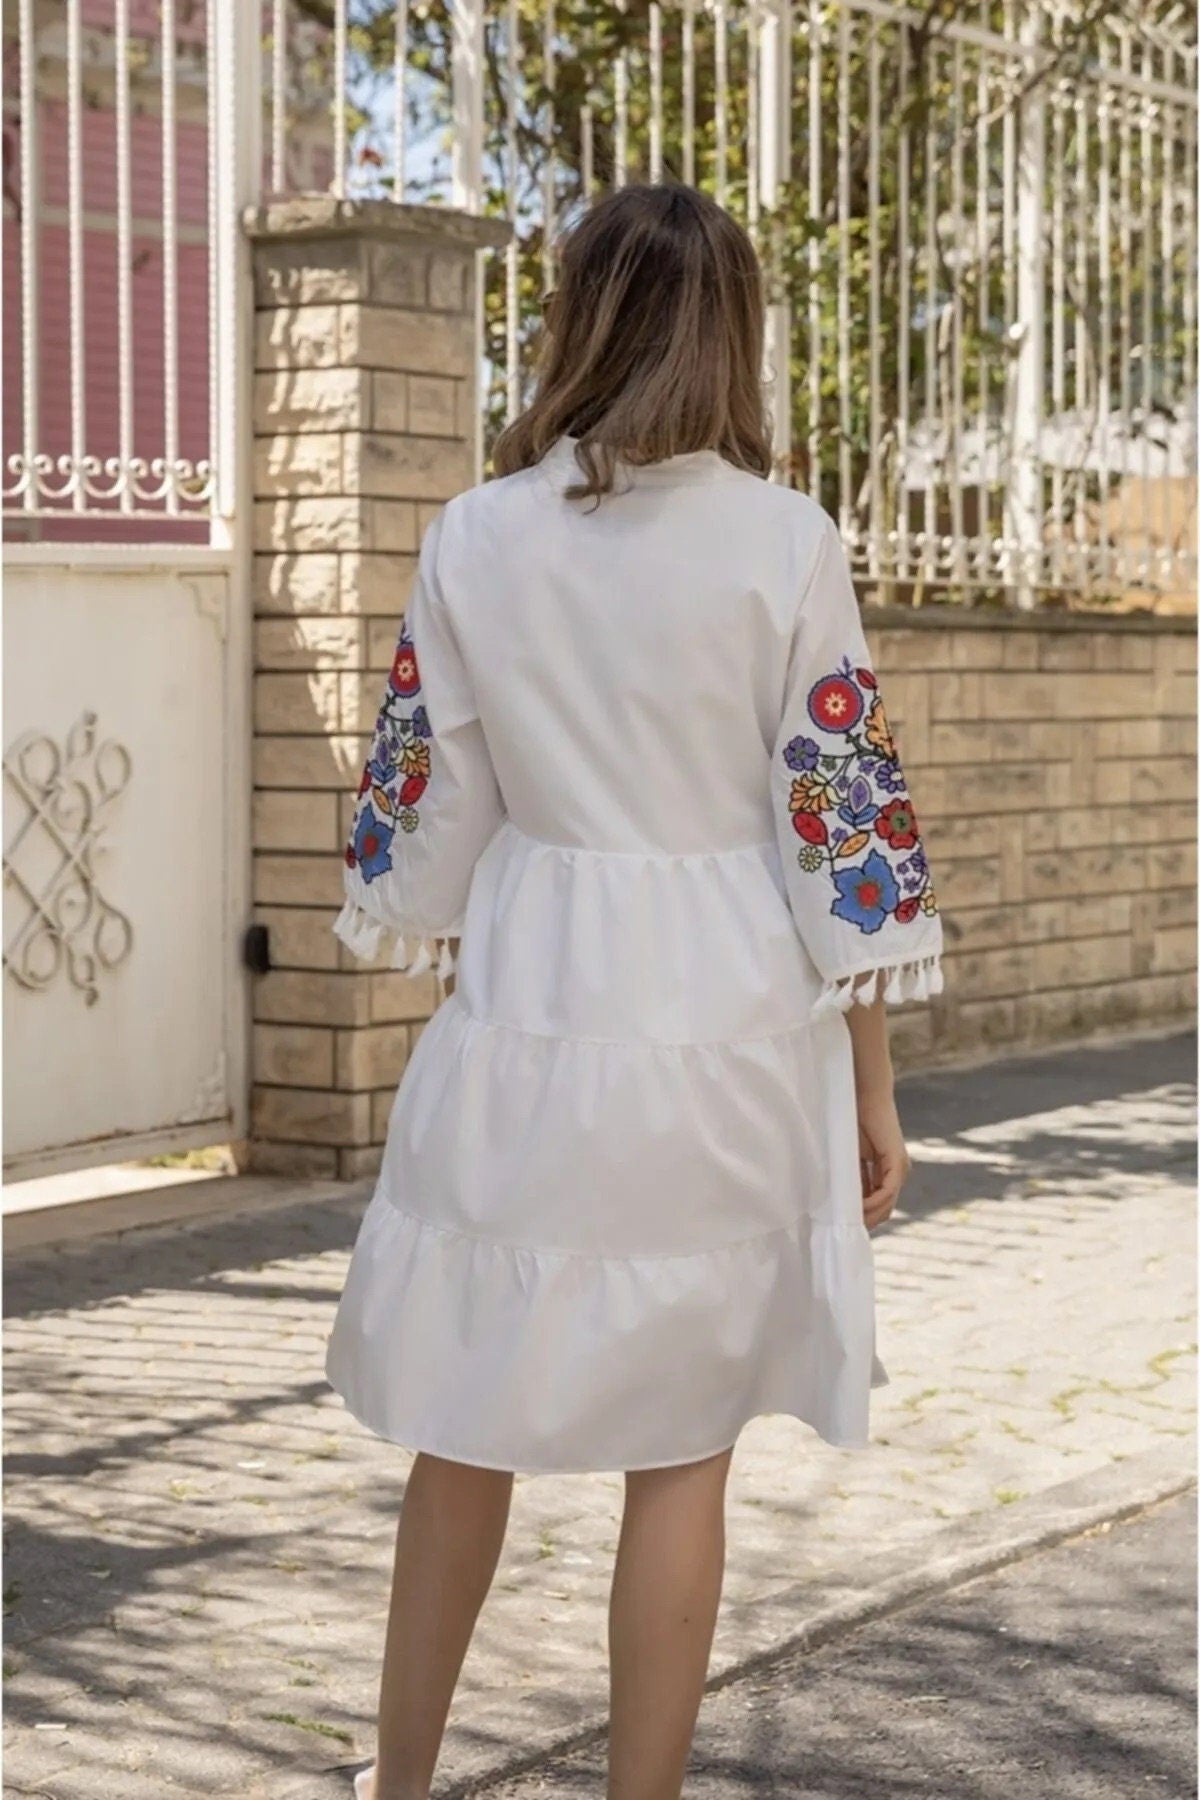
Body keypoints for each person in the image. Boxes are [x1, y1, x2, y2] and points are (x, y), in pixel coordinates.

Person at [326, 182, 943, 1800]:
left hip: (529, 1013)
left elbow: (424, 822)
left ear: (575, 319)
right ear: (732, 328)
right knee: (683, 1448)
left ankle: (397, 1791)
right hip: (730, 1029)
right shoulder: (784, 539)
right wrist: (874, 1088)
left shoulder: (477, 533)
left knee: (461, 1423)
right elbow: (841, 827)